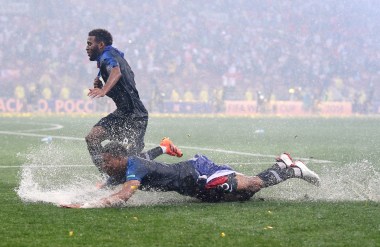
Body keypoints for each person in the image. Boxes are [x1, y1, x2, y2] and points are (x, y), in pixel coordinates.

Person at [62, 142, 321, 208]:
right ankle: (284, 166)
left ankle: (293, 169)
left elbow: (125, 195)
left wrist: (89, 206)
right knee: (245, 196)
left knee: (252, 184)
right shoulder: (128, 166)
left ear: (119, 158)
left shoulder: (133, 168)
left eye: (107, 162)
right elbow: (148, 161)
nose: (105, 167)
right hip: (192, 188)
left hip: (200, 175)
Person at [85, 28, 150, 171]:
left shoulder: (107, 56)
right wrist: (106, 89)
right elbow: (123, 90)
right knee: (92, 138)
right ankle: (106, 175)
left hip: (136, 116)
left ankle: (164, 148)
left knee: (130, 163)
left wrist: (103, 90)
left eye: (90, 44)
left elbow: (116, 72)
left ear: (101, 45)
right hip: (123, 113)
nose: (87, 48)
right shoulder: (111, 56)